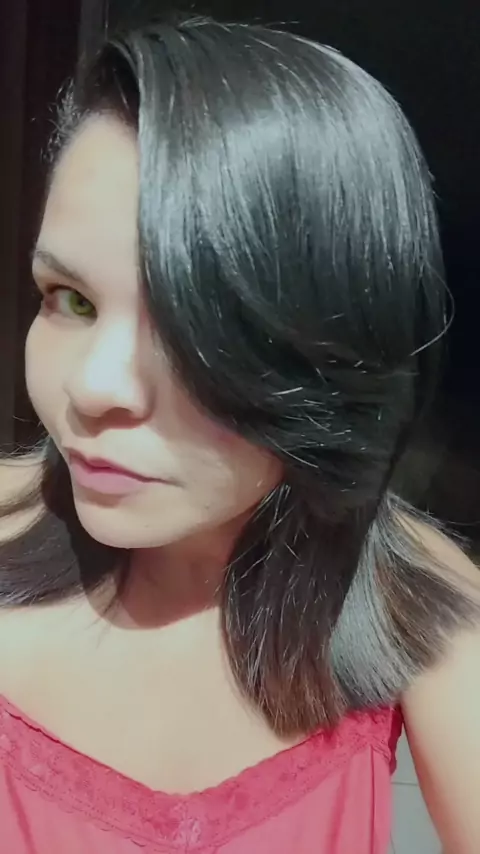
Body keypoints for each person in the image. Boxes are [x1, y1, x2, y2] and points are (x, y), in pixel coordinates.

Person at [0, 14, 479, 854]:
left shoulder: (409, 600)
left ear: (338, 355)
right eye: (71, 300)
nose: (92, 388)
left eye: (191, 329)